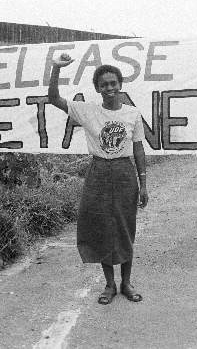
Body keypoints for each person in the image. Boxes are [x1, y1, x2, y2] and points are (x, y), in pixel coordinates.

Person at [48, 53, 148, 305]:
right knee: (102, 227)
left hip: (125, 174)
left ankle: (126, 283)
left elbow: (138, 149)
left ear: (120, 84)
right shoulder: (87, 111)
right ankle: (109, 284)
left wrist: (143, 182)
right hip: (99, 173)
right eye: (104, 84)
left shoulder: (133, 114)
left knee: (125, 229)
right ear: (97, 89)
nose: (109, 88)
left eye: (113, 83)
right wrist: (56, 69)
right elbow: (53, 99)